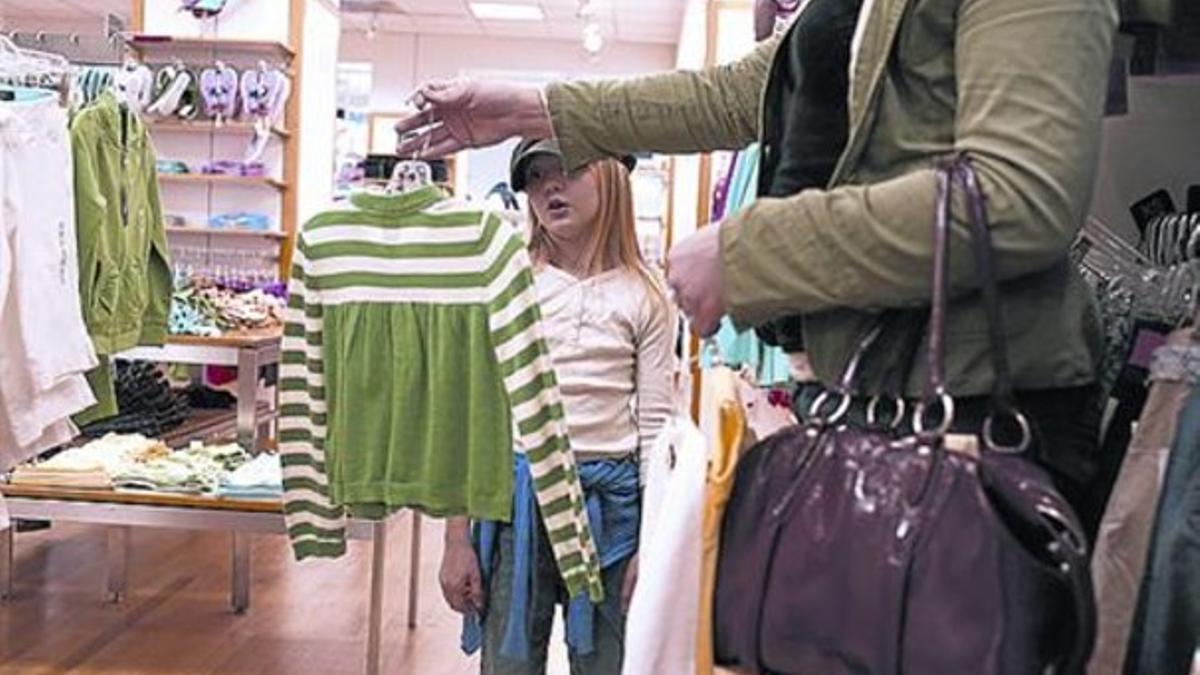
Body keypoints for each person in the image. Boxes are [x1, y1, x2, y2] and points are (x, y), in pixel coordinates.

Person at [396, 0, 1119, 533]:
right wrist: (528, 109)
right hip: (861, 409)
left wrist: (747, 252)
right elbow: (736, 93)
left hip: (972, 420)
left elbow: (1019, 194)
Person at [439, 139, 675, 675]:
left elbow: (656, 430)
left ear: (612, 176)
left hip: (611, 515)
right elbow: (474, 415)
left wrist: (652, 544)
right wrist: (457, 539)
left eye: (565, 170)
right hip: (515, 503)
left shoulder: (647, 294)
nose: (549, 186)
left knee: (607, 664)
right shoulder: (510, 283)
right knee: (509, 664)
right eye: (535, 176)